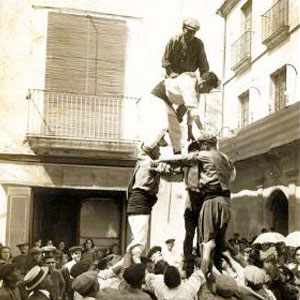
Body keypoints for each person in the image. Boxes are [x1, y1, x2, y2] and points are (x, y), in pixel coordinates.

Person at [157, 131, 236, 276]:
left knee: (206, 240)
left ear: (205, 145)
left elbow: (181, 161)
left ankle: (206, 270)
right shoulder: (223, 158)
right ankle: (197, 265)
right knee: (199, 236)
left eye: (199, 147)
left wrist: (160, 161)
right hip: (216, 200)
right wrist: (162, 171)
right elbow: (232, 174)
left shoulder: (203, 157)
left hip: (208, 201)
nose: (198, 151)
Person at [126, 141, 172, 254]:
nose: (160, 151)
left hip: (140, 203)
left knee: (138, 241)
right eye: (158, 148)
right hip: (141, 203)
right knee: (139, 245)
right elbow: (166, 170)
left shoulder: (143, 161)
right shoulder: (149, 162)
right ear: (151, 150)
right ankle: (116, 271)